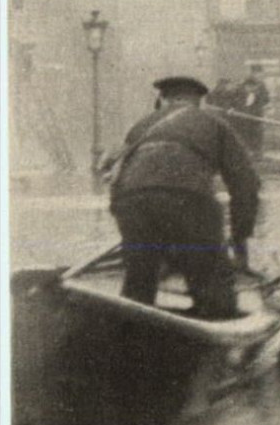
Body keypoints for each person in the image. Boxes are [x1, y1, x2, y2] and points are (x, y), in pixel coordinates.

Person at [103, 76, 261, 319]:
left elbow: (115, 173)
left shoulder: (141, 126)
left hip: (130, 199)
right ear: (199, 102)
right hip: (189, 198)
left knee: (139, 280)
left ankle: (130, 328)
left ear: (162, 101)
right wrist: (240, 239)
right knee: (212, 284)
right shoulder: (214, 124)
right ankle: (216, 321)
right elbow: (246, 185)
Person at [234, 64, 271, 158]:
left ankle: (257, 153)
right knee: (246, 133)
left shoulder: (262, 85)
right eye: (257, 73)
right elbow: (237, 98)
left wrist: (258, 99)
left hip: (257, 114)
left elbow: (266, 99)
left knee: (257, 133)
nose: (259, 76)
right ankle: (246, 153)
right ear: (253, 73)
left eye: (260, 73)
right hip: (245, 115)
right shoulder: (243, 84)